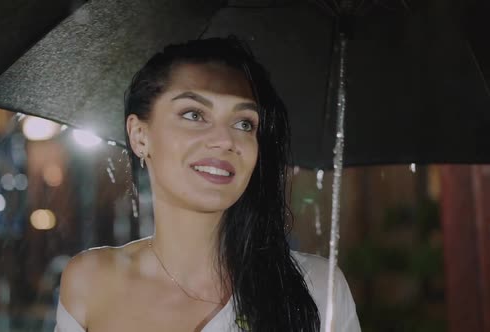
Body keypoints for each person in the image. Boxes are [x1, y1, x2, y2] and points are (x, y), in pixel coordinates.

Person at [55, 37, 361, 332]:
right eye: (194, 114)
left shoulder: (317, 288)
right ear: (139, 136)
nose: (225, 140)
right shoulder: (91, 282)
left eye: (244, 123)